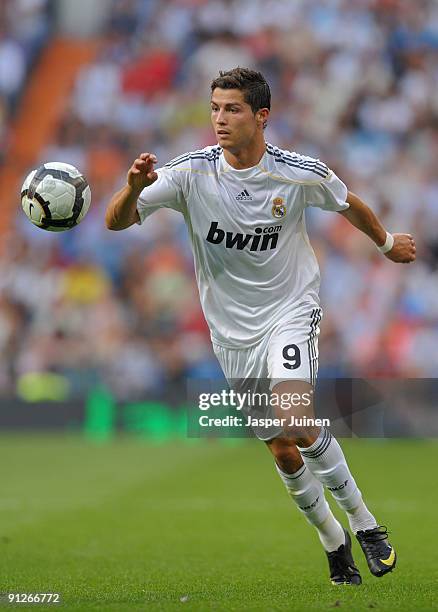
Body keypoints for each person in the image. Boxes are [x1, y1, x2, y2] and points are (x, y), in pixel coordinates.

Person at [105, 67, 416, 585]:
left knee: (296, 416)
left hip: (291, 309)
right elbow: (115, 221)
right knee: (280, 446)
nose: (220, 119)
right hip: (231, 334)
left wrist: (385, 243)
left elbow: (348, 203)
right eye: (215, 108)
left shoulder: (296, 172)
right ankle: (332, 540)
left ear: (262, 116)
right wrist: (133, 187)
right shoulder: (189, 174)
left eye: (233, 109)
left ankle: (365, 524)